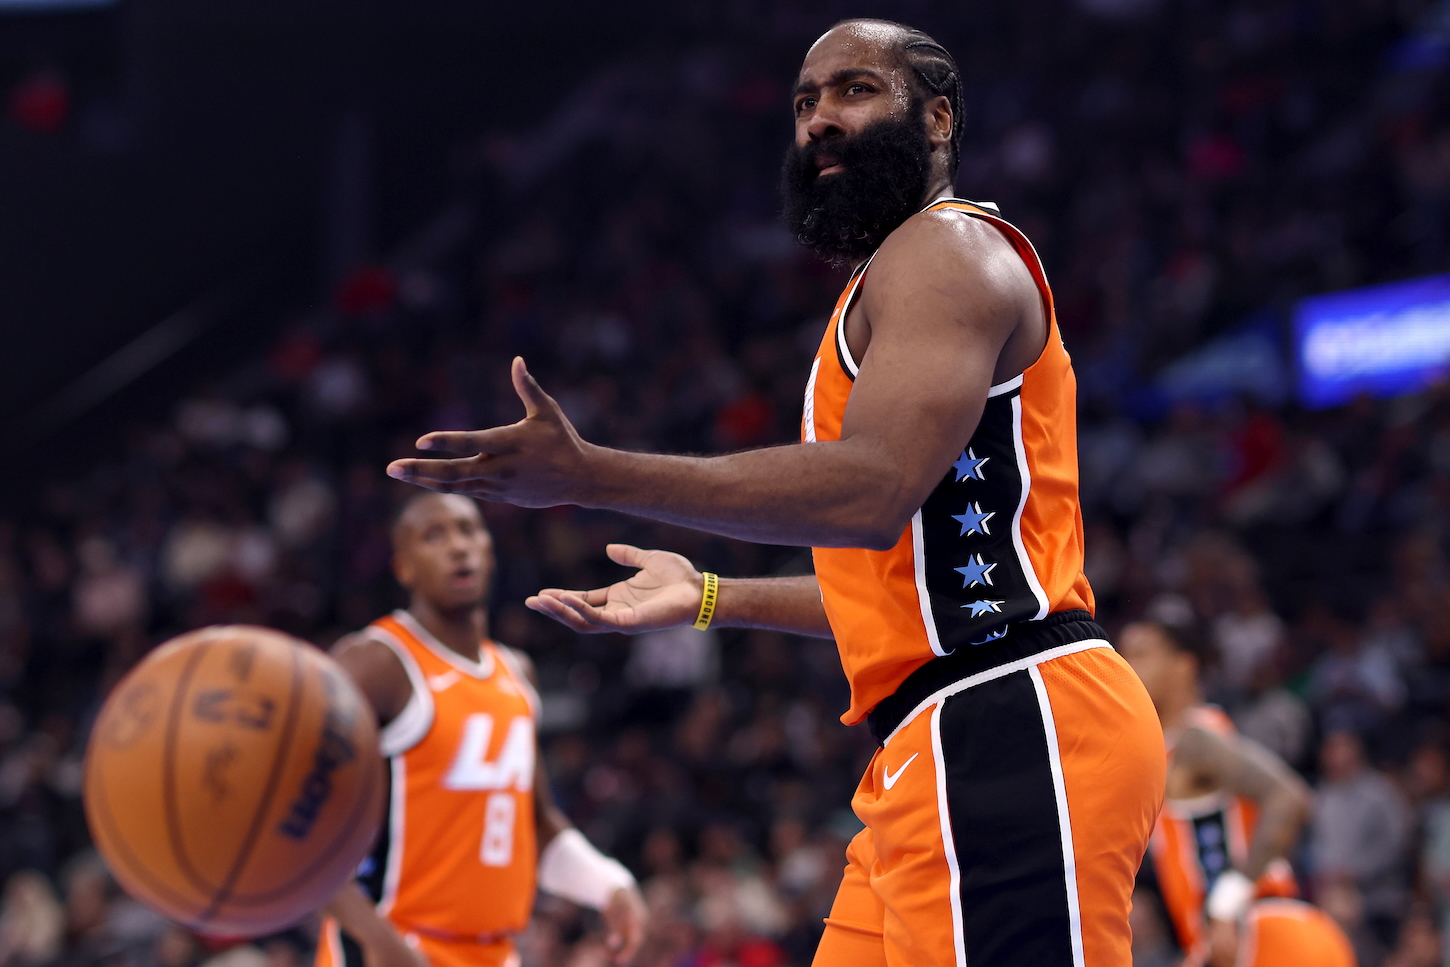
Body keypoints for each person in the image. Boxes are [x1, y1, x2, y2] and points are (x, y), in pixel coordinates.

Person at [386, 18, 1165, 967]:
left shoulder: (945, 254)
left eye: (855, 91)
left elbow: (873, 490)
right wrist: (711, 595)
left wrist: (592, 475)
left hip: (1011, 717)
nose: (821, 120)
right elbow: (902, 583)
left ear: (939, 119)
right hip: (941, 732)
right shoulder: (893, 283)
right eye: (805, 103)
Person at [316, 493, 647, 967]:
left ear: (490, 552)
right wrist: (375, 937)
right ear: (404, 568)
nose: (457, 546)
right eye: (435, 536)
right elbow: (297, 819)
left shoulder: (518, 674)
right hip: (394, 943)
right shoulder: (376, 661)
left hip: (495, 952)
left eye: (469, 530)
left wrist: (611, 886)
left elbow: (535, 825)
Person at [1119, 620, 1354, 967]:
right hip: (1230, 943)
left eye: (1142, 654)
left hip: (1268, 934)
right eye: (1124, 655)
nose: (1128, 666)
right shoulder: (1164, 750)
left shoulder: (1197, 739)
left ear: (1185, 665)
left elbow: (1289, 798)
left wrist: (1227, 902)